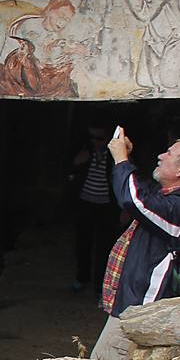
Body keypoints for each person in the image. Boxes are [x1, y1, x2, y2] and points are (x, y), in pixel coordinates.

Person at [90, 130, 180, 360]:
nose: (160, 156)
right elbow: (143, 194)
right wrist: (127, 157)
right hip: (132, 305)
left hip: (141, 310)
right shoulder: (172, 197)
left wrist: (120, 160)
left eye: (169, 153)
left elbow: (134, 201)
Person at [68, 124, 120, 295]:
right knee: (83, 244)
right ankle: (82, 278)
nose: (95, 142)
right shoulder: (85, 152)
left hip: (106, 206)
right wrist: (76, 163)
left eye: (99, 138)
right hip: (86, 203)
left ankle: (99, 287)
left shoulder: (114, 155)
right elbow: (69, 174)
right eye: (92, 138)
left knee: (103, 247)